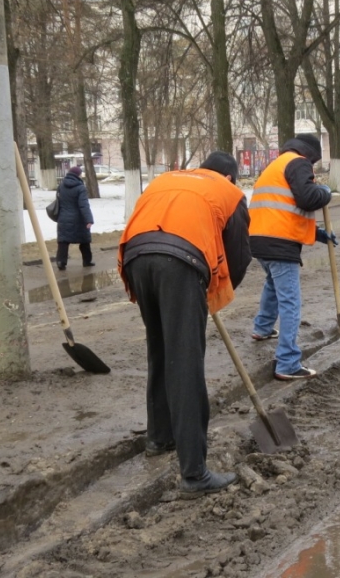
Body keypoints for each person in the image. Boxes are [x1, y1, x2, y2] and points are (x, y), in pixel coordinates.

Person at [117, 151, 251, 498]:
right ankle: (194, 472)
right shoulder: (230, 195)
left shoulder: (168, 179)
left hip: (135, 256)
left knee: (161, 349)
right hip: (179, 262)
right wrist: (209, 291)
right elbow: (238, 258)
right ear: (231, 178)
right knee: (186, 361)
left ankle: (159, 437)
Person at [249, 133, 335, 381]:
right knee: (291, 301)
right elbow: (307, 198)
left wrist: (317, 233)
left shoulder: (276, 165)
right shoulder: (298, 162)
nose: (313, 167)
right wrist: (325, 192)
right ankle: (287, 362)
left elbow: (283, 207)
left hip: (260, 239)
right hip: (279, 243)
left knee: (273, 285)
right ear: (310, 154)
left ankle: (263, 327)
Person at [55, 165, 94, 271]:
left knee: (63, 241)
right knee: (84, 240)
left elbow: (59, 201)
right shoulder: (81, 187)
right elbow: (84, 205)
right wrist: (89, 219)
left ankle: (60, 262)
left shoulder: (61, 185)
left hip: (63, 217)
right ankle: (87, 261)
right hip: (78, 219)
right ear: (78, 175)